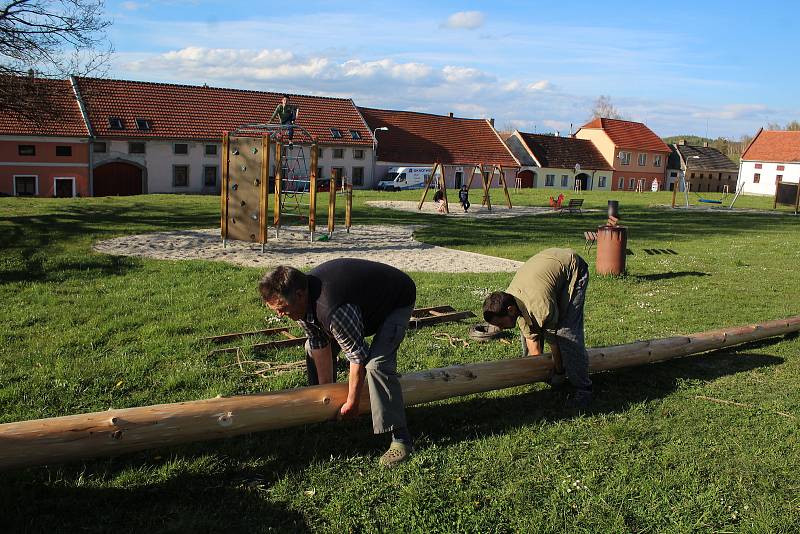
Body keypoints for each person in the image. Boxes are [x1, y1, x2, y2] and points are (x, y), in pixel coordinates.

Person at [259, 259, 416, 466]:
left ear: (299, 295)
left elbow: (356, 356)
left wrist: (353, 403)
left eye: (281, 308)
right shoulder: (299, 303)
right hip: (360, 306)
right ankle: (324, 414)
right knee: (310, 349)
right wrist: (327, 394)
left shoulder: (332, 309)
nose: (280, 314)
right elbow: (318, 341)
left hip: (396, 300)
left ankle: (401, 439)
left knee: (377, 366)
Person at [482, 248, 592, 409]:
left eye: (500, 323)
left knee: (566, 333)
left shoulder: (540, 307)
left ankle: (584, 389)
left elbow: (554, 340)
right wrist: (538, 367)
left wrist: (559, 372)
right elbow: (530, 335)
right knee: (526, 327)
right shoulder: (511, 300)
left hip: (573, 269)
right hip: (548, 271)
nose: (499, 328)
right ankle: (540, 372)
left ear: (510, 310)